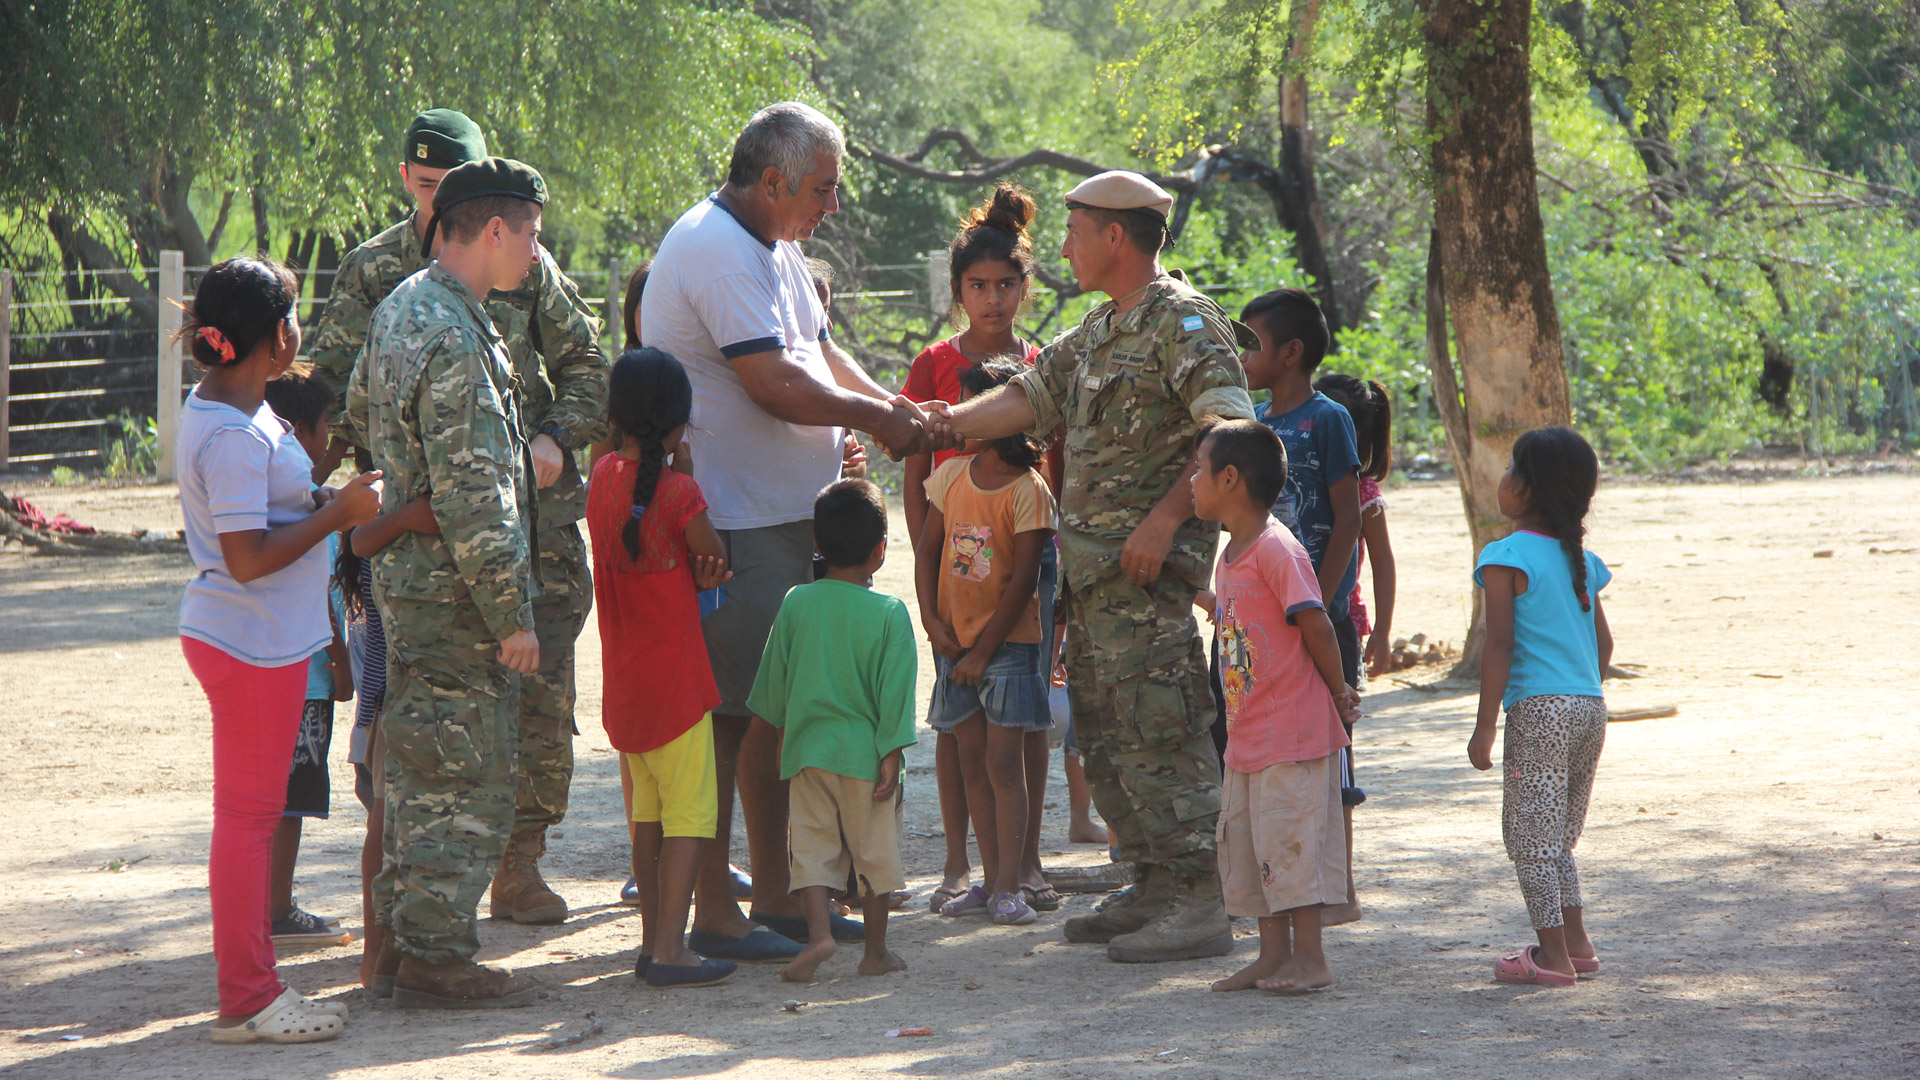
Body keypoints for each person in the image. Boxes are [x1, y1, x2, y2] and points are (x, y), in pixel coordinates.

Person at [926, 170, 1261, 963]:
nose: (1064, 248)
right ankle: (1152, 880)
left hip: (1146, 581)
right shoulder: (1102, 328)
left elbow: (1233, 433)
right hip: (1094, 583)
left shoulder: (1183, 322)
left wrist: (1167, 517)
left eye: (1075, 232)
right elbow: (1029, 397)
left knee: (1163, 729)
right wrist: (935, 424)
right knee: (1108, 737)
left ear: (1118, 236)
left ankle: (1201, 897)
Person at [641, 101, 928, 962]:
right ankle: (719, 912)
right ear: (772, 181)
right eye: (822, 189)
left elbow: (819, 352)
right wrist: (884, 423)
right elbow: (769, 381)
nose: (830, 207)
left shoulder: (777, 248)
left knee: (774, 713)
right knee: (739, 717)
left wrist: (885, 406)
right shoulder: (714, 250)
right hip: (737, 520)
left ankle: (774, 894)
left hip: (785, 515)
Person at [315, 109, 608, 926]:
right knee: (428, 722)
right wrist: (389, 488)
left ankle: (518, 864)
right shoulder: (381, 275)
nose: (434, 198)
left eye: (449, 185)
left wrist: (555, 436)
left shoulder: (525, 260)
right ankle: (420, 919)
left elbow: (588, 364)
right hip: (434, 537)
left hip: (533, 533)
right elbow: (336, 397)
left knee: (541, 708)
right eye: (423, 185)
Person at [349, 157, 547, 1008]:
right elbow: (475, 496)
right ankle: (433, 956)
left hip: (410, 588)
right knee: (467, 774)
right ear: (494, 231)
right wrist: (513, 614)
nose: (538, 253)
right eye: (532, 234)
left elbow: (360, 409)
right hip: (458, 598)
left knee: (422, 768)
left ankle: (402, 947)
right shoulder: (458, 334)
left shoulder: (404, 308)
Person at [175, 256, 380, 1042]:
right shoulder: (230, 431)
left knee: (249, 820)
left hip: (257, 641)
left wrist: (327, 499)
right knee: (248, 824)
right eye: (293, 314)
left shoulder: (241, 409)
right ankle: (249, 997)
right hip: (249, 643)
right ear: (273, 336)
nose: (302, 327)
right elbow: (248, 557)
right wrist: (337, 517)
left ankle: (252, 984)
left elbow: (269, 512)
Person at [900, 183, 1067, 910]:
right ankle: (956, 865)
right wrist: (923, 561)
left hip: (1029, 559)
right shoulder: (933, 363)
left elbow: (1060, 466)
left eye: (1006, 284)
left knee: (1023, 715)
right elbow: (913, 469)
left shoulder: (1045, 366)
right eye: (978, 286)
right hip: (953, 560)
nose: (993, 299)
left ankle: (1024, 865)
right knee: (955, 715)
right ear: (957, 290)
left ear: (1026, 288)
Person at [1189, 420, 1359, 994]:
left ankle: (1311, 958)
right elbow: (1239, 617)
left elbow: (1314, 620)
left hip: (1291, 730)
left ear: (1230, 479)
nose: (1191, 480)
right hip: (1248, 733)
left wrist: (1339, 693)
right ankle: (1271, 955)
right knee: (1252, 844)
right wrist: (1192, 590)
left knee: (1289, 843)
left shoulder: (1277, 548)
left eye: (1198, 469)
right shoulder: (1233, 553)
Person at [588, 348, 739, 989]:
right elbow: (715, 554)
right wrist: (688, 473)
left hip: (625, 686)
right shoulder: (680, 494)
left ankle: (653, 943)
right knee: (689, 821)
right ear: (680, 424)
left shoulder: (599, 478)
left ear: (615, 416)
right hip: (676, 686)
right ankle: (673, 951)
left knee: (646, 821)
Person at [746, 479, 917, 983]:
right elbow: (896, 695)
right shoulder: (889, 613)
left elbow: (773, 687)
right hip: (866, 757)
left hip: (806, 751)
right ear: (881, 551)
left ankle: (819, 936)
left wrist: (783, 742)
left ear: (816, 545)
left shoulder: (797, 602)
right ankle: (876, 951)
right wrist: (892, 754)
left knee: (814, 850)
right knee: (873, 854)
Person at [1240, 288, 1366, 926]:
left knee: (1332, 745)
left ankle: (1340, 888)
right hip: (1271, 622)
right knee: (1285, 749)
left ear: (1290, 353)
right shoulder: (1257, 424)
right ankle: (1291, 885)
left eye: (1251, 342)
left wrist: (1322, 595)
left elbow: (1348, 515)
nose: (1242, 353)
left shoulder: (1327, 419)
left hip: (1319, 616)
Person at [1469, 426, 1612, 987]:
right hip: (1589, 708)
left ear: (1525, 489)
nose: (1502, 481)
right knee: (1559, 839)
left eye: (1509, 470)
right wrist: (1579, 688)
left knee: (1529, 840)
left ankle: (1551, 957)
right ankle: (1577, 943)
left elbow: (1498, 644)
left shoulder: (1505, 557)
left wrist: (1484, 727)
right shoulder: (1582, 559)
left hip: (1539, 713)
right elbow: (1604, 646)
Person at [917, 361, 1058, 925]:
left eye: (972, 405)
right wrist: (931, 620)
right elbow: (928, 548)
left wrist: (981, 652)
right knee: (971, 761)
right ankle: (987, 876)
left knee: (1005, 766)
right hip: (954, 646)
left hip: (1006, 648)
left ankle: (1007, 884)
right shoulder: (950, 477)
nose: (958, 416)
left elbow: (1025, 580)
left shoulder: (1030, 489)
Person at [260, 368, 355, 951]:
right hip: (311, 678)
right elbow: (315, 593)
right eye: (325, 433)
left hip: (278, 669)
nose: (329, 447)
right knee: (291, 801)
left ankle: (266, 904)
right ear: (297, 433)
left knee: (270, 797)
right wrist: (341, 660)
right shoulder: (310, 515)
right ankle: (278, 908)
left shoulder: (285, 498)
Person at [1313, 374, 1397, 679]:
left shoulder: (1363, 494)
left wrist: (1382, 632)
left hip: (1336, 620)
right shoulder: (1289, 480)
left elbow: (1383, 561)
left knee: (1334, 715)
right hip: (1281, 614)